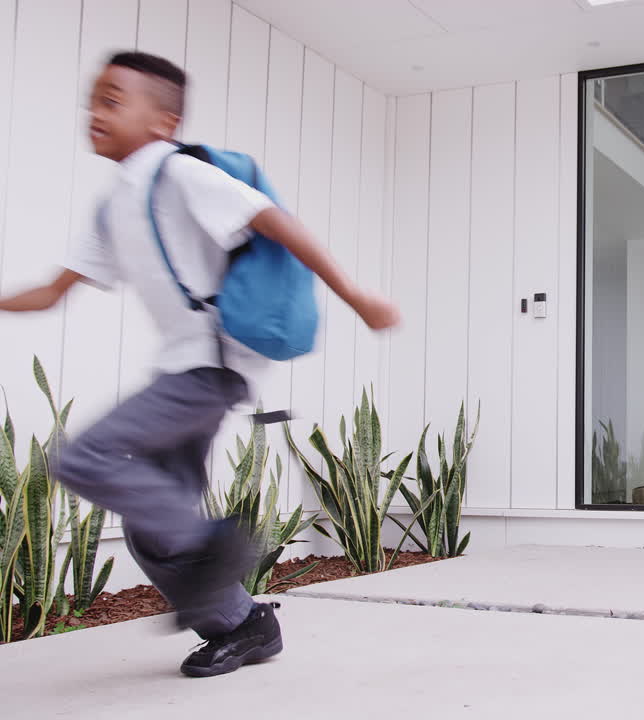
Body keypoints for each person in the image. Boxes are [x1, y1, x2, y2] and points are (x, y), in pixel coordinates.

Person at [0, 52, 400, 677]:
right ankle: (244, 625)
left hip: (210, 370)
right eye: (93, 99)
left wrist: (358, 296)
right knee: (148, 529)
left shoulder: (178, 174)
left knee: (85, 458)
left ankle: (214, 545)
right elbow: (52, 292)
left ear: (164, 121)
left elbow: (278, 224)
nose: (94, 112)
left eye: (112, 100)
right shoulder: (113, 207)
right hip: (182, 371)